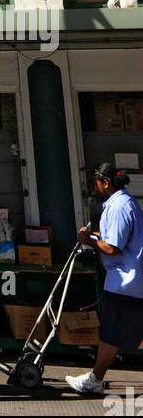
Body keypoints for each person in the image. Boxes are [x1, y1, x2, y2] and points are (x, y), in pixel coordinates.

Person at [66, 161, 143, 395]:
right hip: (127, 282)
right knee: (116, 333)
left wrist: (88, 242)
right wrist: (93, 234)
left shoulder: (120, 206)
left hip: (125, 283)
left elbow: (113, 248)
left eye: (96, 183)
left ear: (105, 182)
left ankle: (95, 380)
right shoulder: (120, 203)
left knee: (110, 334)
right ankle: (96, 378)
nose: (95, 188)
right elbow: (113, 236)